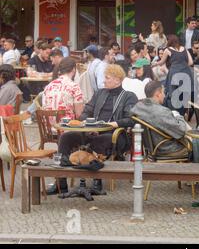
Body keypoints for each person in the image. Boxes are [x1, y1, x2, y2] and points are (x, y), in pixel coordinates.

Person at [47, 64, 138, 195]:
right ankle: (60, 183)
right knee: (66, 137)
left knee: (100, 140)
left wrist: (113, 124)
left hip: (115, 135)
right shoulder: (99, 93)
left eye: (107, 78)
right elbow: (87, 110)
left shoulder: (129, 96)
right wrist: (83, 122)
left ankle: (97, 181)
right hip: (91, 131)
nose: (103, 81)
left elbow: (131, 119)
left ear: (117, 80)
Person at [131, 81, 188, 156]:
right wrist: (179, 116)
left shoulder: (137, 107)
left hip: (149, 148)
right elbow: (181, 131)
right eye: (163, 92)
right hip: (167, 148)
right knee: (196, 143)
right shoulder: (162, 112)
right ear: (158, 94)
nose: (164, 96)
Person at [152, 34, 194, 115]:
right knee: (184, 95)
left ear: (169, 41)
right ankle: (182, 114)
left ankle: (176, 114)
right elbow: (191, 62)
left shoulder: (168, 50)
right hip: (186, 73)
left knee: (174, 94)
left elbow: (162, 61)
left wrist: (154, 64)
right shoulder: (184, 49)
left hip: (175, 73)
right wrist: (183, 65)